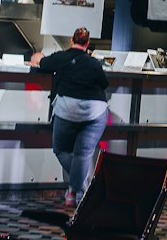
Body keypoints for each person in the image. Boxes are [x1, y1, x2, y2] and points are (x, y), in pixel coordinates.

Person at [30, 26, 109, 206]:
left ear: (72, 41)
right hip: (96, 112)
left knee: (61, 149)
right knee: (83, 154)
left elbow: (41, 63)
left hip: (68, 108)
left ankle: (77, 189)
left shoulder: (61, 57)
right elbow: (104, 84)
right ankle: (75, 192)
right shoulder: (94, 63)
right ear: (87, 44)